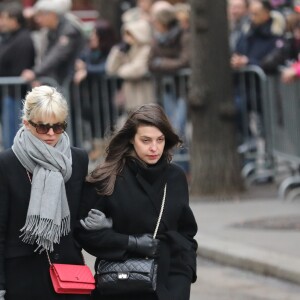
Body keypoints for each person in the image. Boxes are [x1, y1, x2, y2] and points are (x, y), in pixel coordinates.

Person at [76, 103, 198, 300]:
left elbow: (186, 232)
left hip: (172, 282)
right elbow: (85, 234)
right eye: (146, 140)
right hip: (122, 283)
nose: (154, 148)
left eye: (160, 140)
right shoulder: (108, 177)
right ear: (131, 139)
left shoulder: (175, 177)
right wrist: (131, 243)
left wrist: (186, 272)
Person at [0, 85, 89, 300]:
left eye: (58, 127)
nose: (51, 134)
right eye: (42, 127)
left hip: (69, 274)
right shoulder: (7, 163)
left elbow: (80, 220)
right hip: (23, 276)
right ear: (26, 124)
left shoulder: (77, 159)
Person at [21, 0, 84, 86]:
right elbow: (48, 55)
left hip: (72, 82)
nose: (37, 20)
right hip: (60, 80)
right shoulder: (51, 31)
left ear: (52, 14)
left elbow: (56, 55)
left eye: (40, 15)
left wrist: (36, 72)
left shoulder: (69, 29)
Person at [0, 2, 35, 149]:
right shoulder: (10, 38)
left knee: (13, 135)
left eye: (3, 18)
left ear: (14, 20)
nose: (1, 22)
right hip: (8, 94)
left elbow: (19, 69)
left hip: (15, 95)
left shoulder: (23, 39)